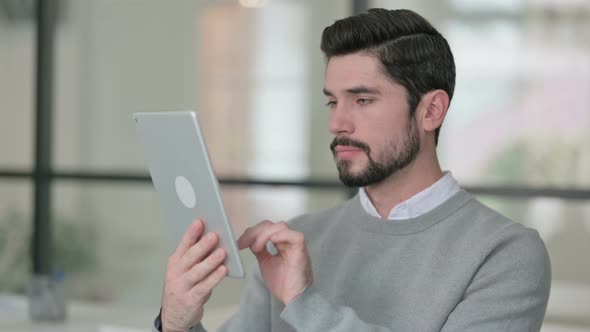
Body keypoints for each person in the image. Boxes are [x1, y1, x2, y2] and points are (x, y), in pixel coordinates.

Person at [154, 8, 551, 332]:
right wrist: (177, 322)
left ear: (431, 110)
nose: (337, 123)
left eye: (362, 100)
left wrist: (304, 304)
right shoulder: (296, 241)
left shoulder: (506, 254)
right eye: (332, 102)